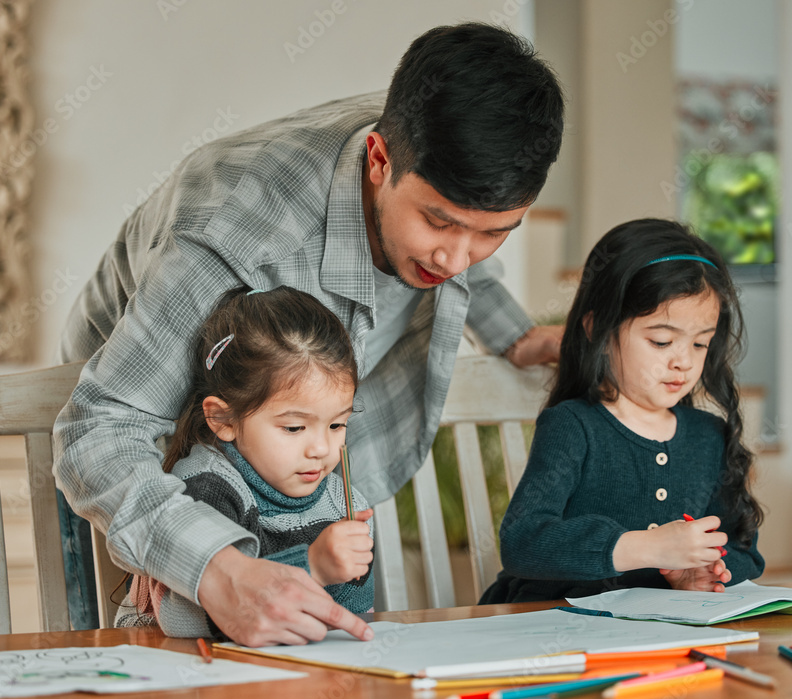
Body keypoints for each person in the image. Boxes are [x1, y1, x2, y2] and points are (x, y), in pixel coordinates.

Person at [52, 22, 564, 645]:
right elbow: (100, 430)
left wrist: (513, 335)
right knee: (179, 649)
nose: (458, 260)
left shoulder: (437, 144)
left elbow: (461, 237)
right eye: (437, 221)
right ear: (379, 160)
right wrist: (214, 565)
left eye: (494, 233)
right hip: (144, 435)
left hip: (278, 437)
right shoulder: (235, 237)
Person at [479, 218, 765, 605]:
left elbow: (743, 548)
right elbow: (523, 542)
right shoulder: (574, 426)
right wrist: (645, 547)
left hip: (656, 632)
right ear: (597, 329)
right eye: (661, 341)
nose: (683, 362)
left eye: (700, 344)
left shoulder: (707, 435)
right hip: (551, 629)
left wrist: (708, 571)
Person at [117, 287, 374, 637]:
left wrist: (346, 570)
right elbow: (180, 619)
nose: (320, 448)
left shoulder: (343, 501)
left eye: (336, 424)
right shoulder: (206, 489)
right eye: (295, 427)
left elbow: (348, 621)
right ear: (223, 420)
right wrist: (313, 567)